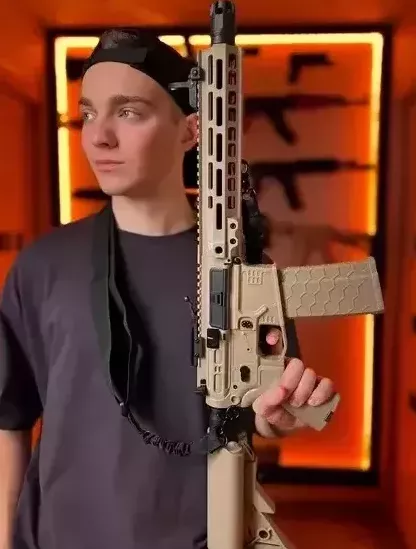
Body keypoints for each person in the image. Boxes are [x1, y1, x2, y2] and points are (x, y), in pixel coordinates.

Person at [0, 30, 335, 549]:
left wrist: (281, 417)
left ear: (191, 129)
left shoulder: (245, 271)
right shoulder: (41, 266)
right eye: (88, 114)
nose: (99, 136)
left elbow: (264, 411)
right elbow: (10, 419)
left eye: (128, 112)